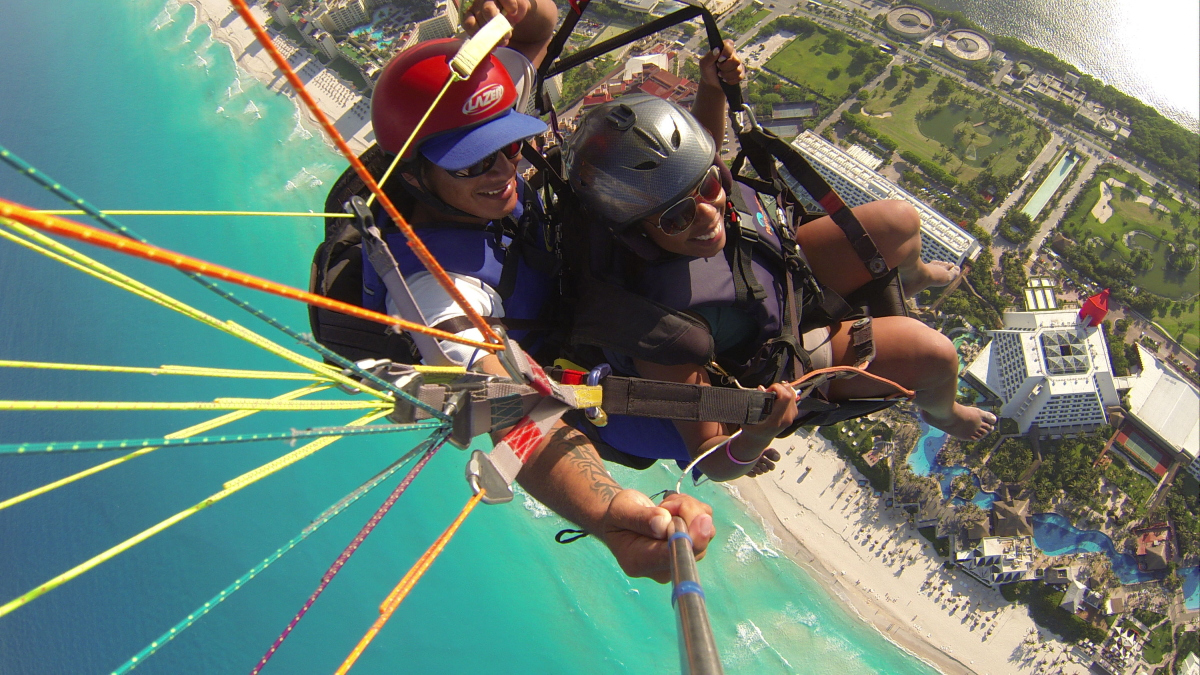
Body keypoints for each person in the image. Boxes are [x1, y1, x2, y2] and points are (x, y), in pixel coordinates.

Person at [316, 0, 715, 583]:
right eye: (474, 164)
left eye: (511, 145)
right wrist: (606, 509)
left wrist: (519, 12)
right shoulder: (436, 289)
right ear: (413, 176)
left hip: (580, 300)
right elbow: (507, 403)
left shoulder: (480, 120)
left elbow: (535, 36)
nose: (504, 169)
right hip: (575, 374)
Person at [562, 46, 995, 483]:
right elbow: (707, 457)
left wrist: (712, 87)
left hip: (774, 272)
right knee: (937, 356)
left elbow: (700, 157)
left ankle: (913, 277)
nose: (710, 215)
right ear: (638, 234)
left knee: (899, 223)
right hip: (781, 349)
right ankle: (945, 412)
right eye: (678, 216)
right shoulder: (661, 333)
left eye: (710, 185)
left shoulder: (672, 207)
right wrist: (753, 439)